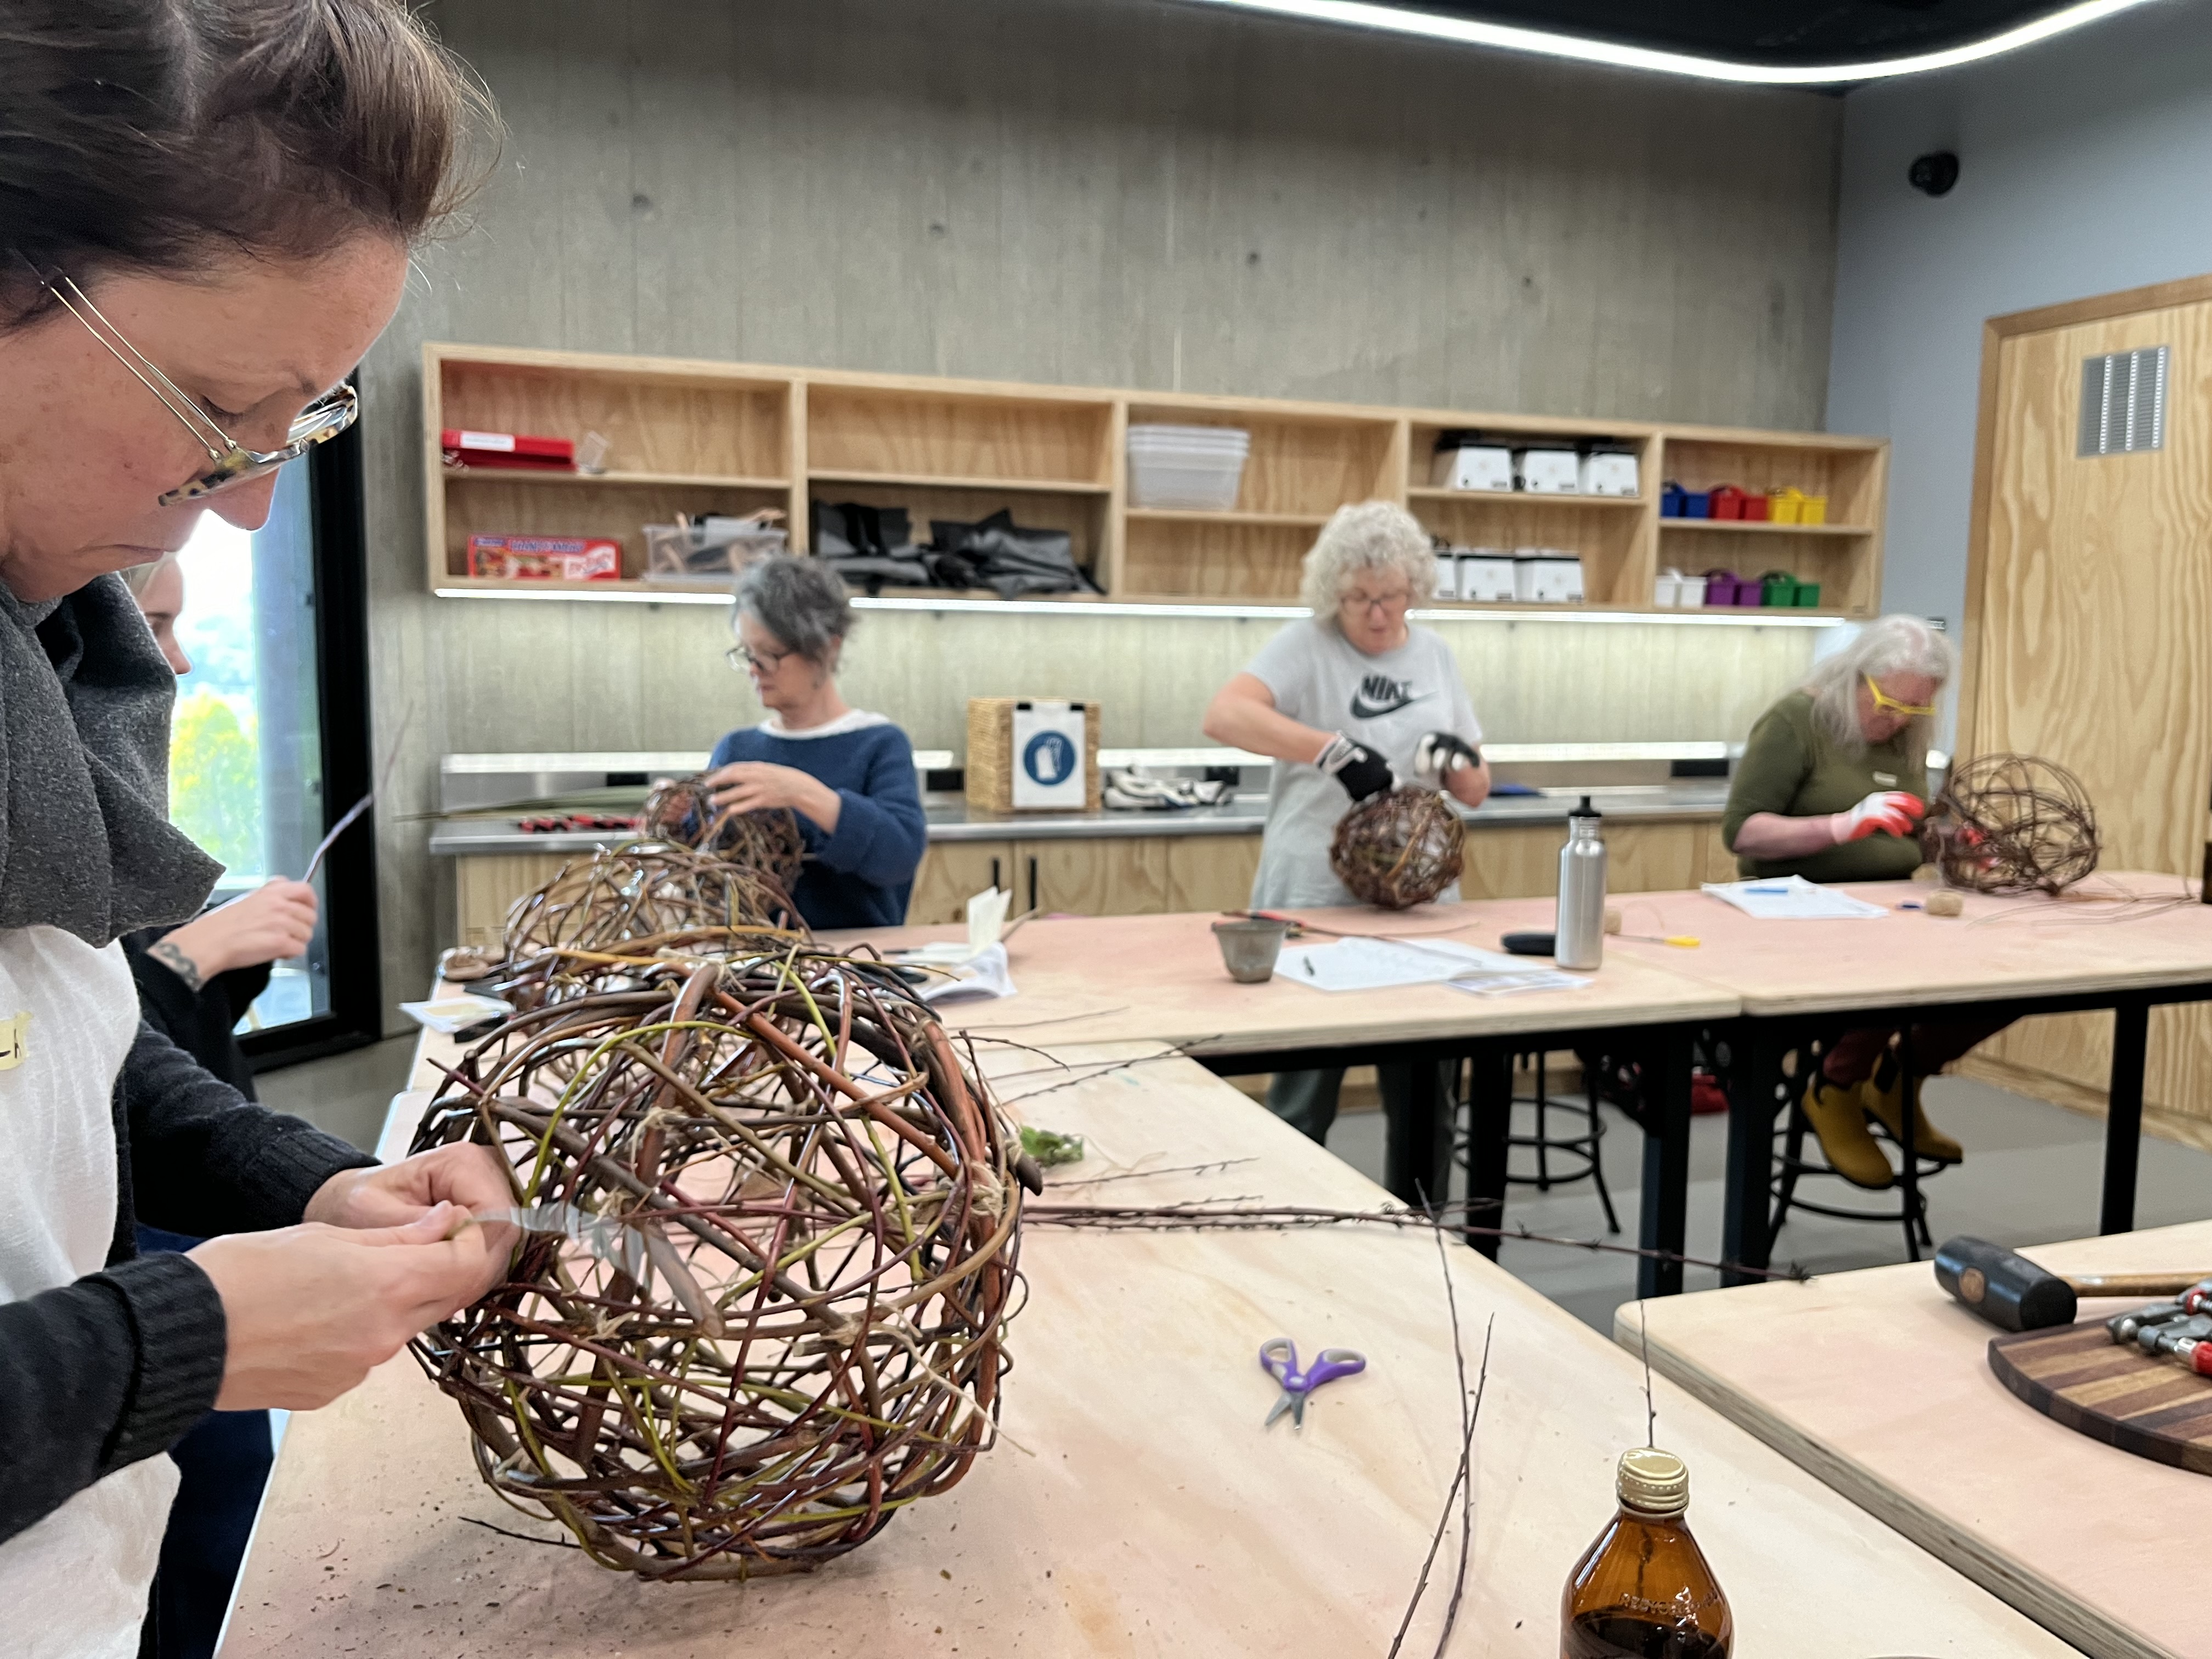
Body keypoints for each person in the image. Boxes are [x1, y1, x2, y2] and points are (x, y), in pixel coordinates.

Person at [0, 6, 515, 1654]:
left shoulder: (45, 674)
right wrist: (184, 1339)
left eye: (302, 421)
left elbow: (56, 1049)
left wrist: (312, 1184)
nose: (248, 502)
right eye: (223, 407)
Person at [122, 554, 323, 1659]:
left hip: (178, 1220)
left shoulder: (103, 807)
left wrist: (219, 965)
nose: (183, 657)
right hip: (135, 1247)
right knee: (209, 1484)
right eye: (156, 623)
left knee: (229, 1473)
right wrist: (190, 958)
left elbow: (148, 1057)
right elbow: (100, 1054)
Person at [1201, 502, 1492, 1193]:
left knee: (1426, 1100)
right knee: (1304, 1095)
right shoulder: (1306, 646)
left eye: (1390, 596)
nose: (1377, 614)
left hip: (1417, 909)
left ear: (1414, 588)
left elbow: (1476, 788)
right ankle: (1293, 1220)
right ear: (1335, 590)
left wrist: (1454, 758)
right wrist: (1330, 750)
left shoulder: (1435, 656)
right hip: (1315, 900)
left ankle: (1424, 1230)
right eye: (1360, 598)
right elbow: (1225, 714)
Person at [1723, 613, 1998, 1188]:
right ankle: (1836, 1086)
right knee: (1896, 972)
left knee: (2002, 977)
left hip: (1888, 906)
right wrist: (1838, 827)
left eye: (1916, 709)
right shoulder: (1796, 722)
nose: (1899, 720)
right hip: (1798, 912)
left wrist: (1950, 843)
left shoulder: (1905, 736)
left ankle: (1900, 1077)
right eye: (1889, 704)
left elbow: (1904, 831)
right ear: (1855, 677)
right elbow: (1743, 833)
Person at [703, 555, 927, 929]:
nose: (754, 669)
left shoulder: (880, 743)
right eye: (748, 654)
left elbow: (898, 857)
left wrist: (801, 792)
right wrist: (680, 818)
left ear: (827, 649)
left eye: (770, 655)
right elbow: (709, 863)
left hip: (859, 957)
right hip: (757, 957)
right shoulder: (737, 750)